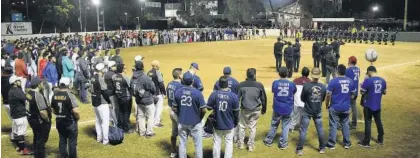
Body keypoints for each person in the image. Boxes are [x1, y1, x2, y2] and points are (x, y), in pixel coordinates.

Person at [174, 72, 206, 158]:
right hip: (195, 122)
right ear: (192, 81)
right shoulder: (197, 93)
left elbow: (174, 108)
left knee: (182, 143)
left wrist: (180, 115)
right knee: (198, 145)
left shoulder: (178, 92)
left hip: (182, 122)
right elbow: (203, 110)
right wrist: (200, 118)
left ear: (183, 81)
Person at [296, 68, 327, 155]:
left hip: (307, 110)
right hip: (317, 110)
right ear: (319, 75)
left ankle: (299, 150)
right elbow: (323, 99)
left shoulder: (306, 86)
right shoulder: (323, 86)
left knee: (303, 130)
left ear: (311, 75)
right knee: (320, 130)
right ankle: (322, 148)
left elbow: (302, 98)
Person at [263, 67, 296, 149]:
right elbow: (294, 92)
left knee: (274, 124)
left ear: (279, 74)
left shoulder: (275, 83)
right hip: (288, 108)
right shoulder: (292, 84)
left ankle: (268, 140)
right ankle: (283, 144)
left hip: (277, 108)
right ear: (287, 74)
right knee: (285, 126)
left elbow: (273, 91)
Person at [207, 76, 240, 158]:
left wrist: (215, 106)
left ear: (219, 84)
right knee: (229, 143)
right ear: (228, 84)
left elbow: (208, 107)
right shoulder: (233, 96)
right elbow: (236, 112)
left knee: (217, 142)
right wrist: (236, 122)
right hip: (229, 124)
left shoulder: (214, 94)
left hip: (217, 124)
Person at [325, 64, 356, 149]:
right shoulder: (351, 81)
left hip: (335, 107)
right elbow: (353, 95)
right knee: (345, 124)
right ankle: (347, 143)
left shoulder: (333, 81)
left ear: (337, 71)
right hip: (346, 107)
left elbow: (328, 95)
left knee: (333, 125)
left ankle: (331, 144)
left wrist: (326, 104)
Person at [237, 68, 267, 152]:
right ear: (255, 75)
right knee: (252, 127)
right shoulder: (259, 85)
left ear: (246, 75)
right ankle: (250, 146)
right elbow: (264, 98)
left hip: (244, 109)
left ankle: (241, 144)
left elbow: (237, 98)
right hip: (256, 109)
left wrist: (235, 110)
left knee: (242, 126)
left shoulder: (241, 85)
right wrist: (264, 109)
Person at [51, 77, 80, 158]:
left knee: (62, 140)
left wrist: (59, 114)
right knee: (72, 142)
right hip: (70, 122)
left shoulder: (54, 95)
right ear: (68, 85)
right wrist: (77, 118)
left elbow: (52, 109)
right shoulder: (70, 96)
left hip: (59, 122)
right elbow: (76, 111)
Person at [358, 66, 386, 147]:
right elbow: (384, 92)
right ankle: (380, 139)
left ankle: (366, 142)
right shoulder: (383, 80)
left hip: (368, 105)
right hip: (377, 105)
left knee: (368, 122)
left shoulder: (368, 81)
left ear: (370, 71)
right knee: (378, 121)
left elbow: (362, 92)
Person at [26, 76, 52, 158]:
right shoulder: (38, 95)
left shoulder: (28, 93)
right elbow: (42, 112)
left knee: (36, 137)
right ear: (38, 84)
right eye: (40, 83)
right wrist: (47, 120)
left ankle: (36, 154)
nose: (42, 83)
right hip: (40, 121)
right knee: (41, 141)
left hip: (32, 119)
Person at [131, 61, 157, 137]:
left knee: (140, 116)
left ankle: (142, 132)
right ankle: (149, 132)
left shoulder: (133, 77)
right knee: (150, 116)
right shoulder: (145, 77)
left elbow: (131, 88)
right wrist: (150, 94)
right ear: (143, 67)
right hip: (148, 100)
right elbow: (153, 88)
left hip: (138, 101)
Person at [8, 75, 33, 155]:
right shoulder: (17, 91)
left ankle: (18, 146)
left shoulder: (11, 90)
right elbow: (27, 98)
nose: (20, 81)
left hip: (15, 115)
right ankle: (23, 149)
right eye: (18, 80)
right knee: (21, 133)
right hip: (20, 115)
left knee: (16, 131)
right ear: (14, 83)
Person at [90, 63, 111, 145]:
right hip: (102, 102)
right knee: (105, 122)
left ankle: (99, 138)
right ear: (101, 70)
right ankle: (105, 141)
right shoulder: (100, 78)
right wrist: (109, 101)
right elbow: (104, 91)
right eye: (104, 68)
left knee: (98, 120)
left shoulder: (92, 77)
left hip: (95, 101)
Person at [166, 68, 184, 158]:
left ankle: (173, 152)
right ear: (180, 75)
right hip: (178, 112)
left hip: (171, 111)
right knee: (182, 133)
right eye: (182, 74)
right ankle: (182, 153)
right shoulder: (180, 86)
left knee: (174, 132)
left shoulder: (169, 84)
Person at [289, 67, 311, 132]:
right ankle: (302, 128)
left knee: (294, 115)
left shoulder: (295, 80)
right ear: (308, 74)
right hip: (304, 102)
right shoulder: (309, 81)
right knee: (304, 116)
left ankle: (291, 127)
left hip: (296, 101)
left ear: (301, 73)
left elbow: (292, 91)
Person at [113, 64, 133, 133]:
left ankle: (120, 126)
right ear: (122, 69)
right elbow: (130, 86)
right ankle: (126, 128)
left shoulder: (114, 77)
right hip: (126, 97)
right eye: (124, 68)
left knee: (120, 112)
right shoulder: (125, 77)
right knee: (126, 112)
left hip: (118, 97)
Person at [147, 60, 166, 127]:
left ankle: (152, 122)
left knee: (153, 108)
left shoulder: (148, 72)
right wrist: (164, 92)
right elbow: (161, 84)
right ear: (157, 66)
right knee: (159, 108)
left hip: (151, 93)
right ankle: (156, 122)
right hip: (158, 94)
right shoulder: (158, 73)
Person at [345, 56, 361, 129]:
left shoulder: (348, 70)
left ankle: (346, 123)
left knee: (347, 106)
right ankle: (354, 123)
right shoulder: (358, 69)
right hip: (356, 90)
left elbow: (345, 79)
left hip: (350, 91)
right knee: (354, 107)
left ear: (350, 61)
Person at [105, 61, 118, 125]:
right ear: (111, 67)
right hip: (112, 93)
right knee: (114, 108)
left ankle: (110, 118)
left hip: (107, 92)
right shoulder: (113, 75)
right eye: (114, 66)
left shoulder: (106, 73)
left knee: (110, 107)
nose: (115, 67)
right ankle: (115, 122)